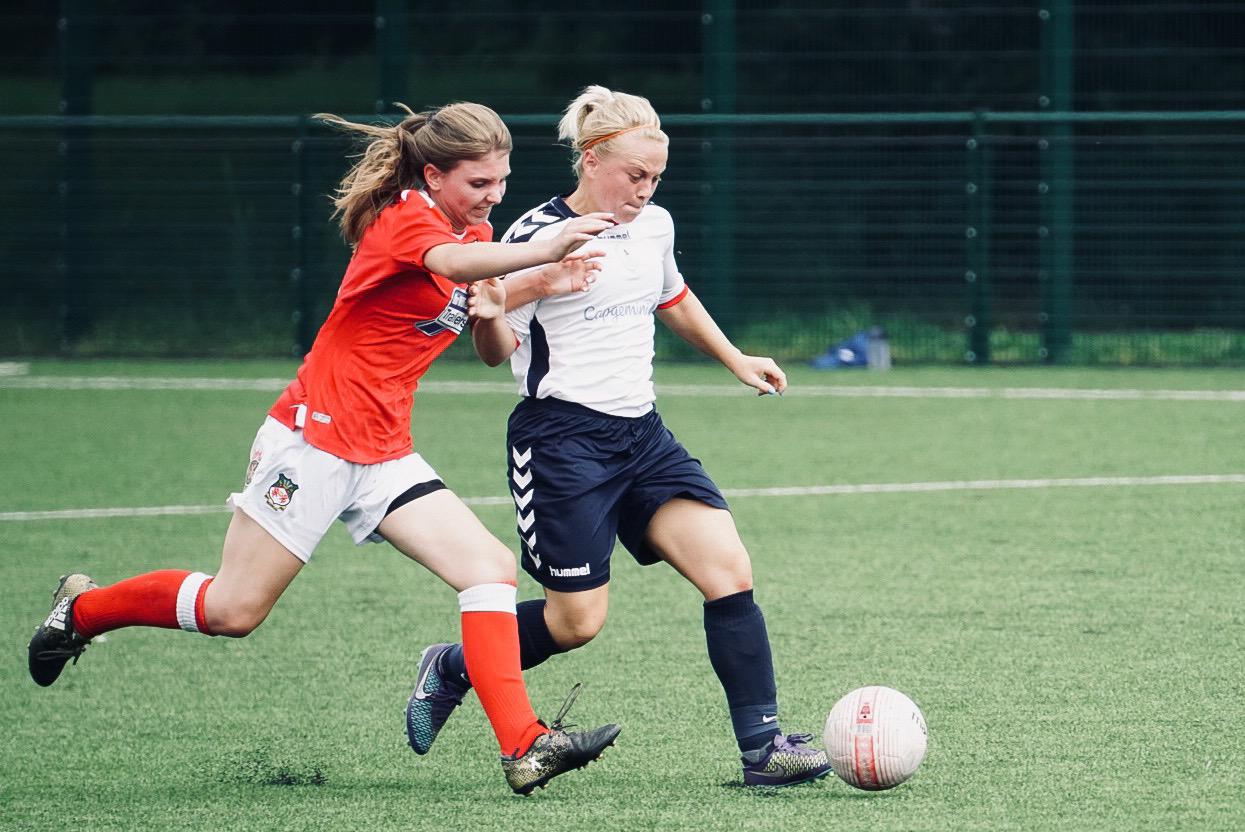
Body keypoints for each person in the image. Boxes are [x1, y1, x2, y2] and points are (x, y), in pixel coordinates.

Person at [26, 101, 622, 796]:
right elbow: (454, 262)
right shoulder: (407, 219)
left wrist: (521, 291)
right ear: (432, 175)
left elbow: (474, 320)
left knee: (488, 568)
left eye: (501, 180)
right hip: (313, 440)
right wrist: (547, 250)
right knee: (233, 611)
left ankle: (525, 745)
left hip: (382, 450)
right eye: (478, 183)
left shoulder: (476, 233)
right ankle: (82, 611)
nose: (493, 196)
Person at [403, 87, 833, 788]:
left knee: (728, 571)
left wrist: (736, 358)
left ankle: (763, 752)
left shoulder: (654, 225)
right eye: (634, 174)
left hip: (643, 437)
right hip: (561, 442)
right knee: (576, 623)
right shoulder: (534, 233)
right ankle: (451, 665)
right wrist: (531, 282)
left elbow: (672, 297)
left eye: (655, 177)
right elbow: (489, 341)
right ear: (592, 159)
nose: (645, 189)